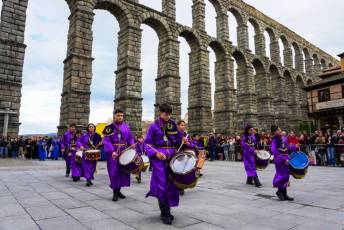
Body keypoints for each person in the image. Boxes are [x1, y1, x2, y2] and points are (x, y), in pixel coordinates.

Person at [144, 104, 182, 225]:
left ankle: (168, 209)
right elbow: (147, 144)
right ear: (160, 112)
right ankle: (164, 212)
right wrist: (156, 154)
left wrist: (183, 141)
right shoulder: (153, 126)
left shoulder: (172, 124)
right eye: (166, 114)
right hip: (159, 158)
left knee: (172, 184)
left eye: (169, 114)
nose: (168, 116)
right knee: (161, 185)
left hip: (171, 156)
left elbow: (178, 140)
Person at [103, 109, 135, 202]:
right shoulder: (109, 127)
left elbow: (130, 138)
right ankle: (115, 192)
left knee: (123, 171)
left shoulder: (126, 127)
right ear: (114, 116)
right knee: (114, 172)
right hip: (113, 152)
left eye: (121, 115)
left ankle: (119, 190)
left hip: (124, 151)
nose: (120, 117)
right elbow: (106, 141)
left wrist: (132, 144)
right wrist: (112, 151)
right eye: (118, 115)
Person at [270, 125, 299, 201]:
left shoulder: (283, 139)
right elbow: (274, 151)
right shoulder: (274, 140)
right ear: (274, 132)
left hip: (286, 159)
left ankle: (284, 193)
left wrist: (295, 146)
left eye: (279, 129)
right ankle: (280, 191)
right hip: (280, 160)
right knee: (282, 175)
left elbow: (287, 146)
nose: (279, 131)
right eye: (277, 130)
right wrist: (283, 159)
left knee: (286, 176)